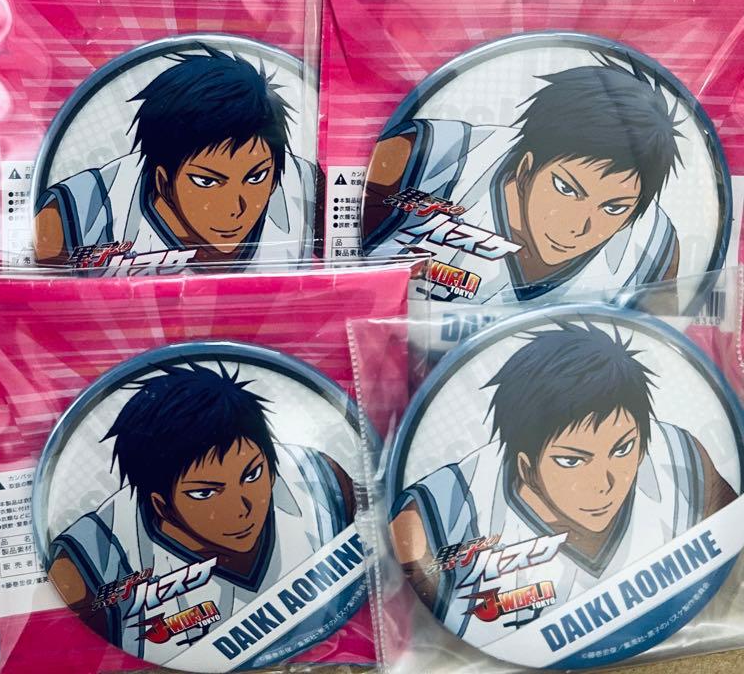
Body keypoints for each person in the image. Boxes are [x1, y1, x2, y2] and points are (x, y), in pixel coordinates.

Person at [390, 322, 736, 644]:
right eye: (572, 461)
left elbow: (730, 552)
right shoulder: (442, 513)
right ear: (525, 467)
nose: (603, 483)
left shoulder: (679, 457)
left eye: (622, 449)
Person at [48, 363, 354, 664]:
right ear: (161, 505)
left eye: (252, 474)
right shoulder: (96, 560)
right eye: (205, 493)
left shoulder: (320, 481)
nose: (241, 509)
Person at [363, 62, 682, 303]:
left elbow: (661, 350)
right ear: (526, 168)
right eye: (566, 189)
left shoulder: (653, 250)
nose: (577, 226)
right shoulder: (426, 160)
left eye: (613, 208)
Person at [34, 48, 316, 269]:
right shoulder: (81, 212)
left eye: (256, 177)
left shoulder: (309, 189)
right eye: (207, 181)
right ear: (162, 180)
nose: (235, 208)